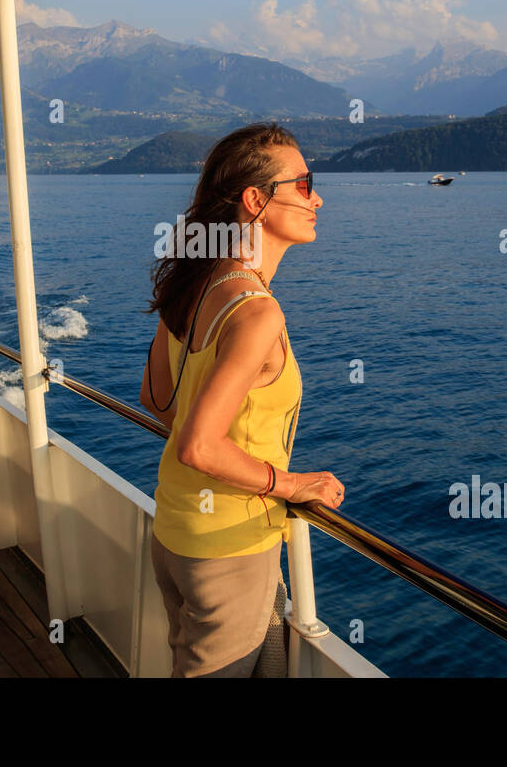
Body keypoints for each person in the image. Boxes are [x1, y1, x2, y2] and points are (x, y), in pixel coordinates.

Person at [140, 121, 344, 677]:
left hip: (176, 534)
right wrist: (294, 485)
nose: (317, 197)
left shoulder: (195, 283)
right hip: (228, 547)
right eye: (304, 184)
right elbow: (197, 445)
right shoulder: (257, 313)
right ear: (256, 200)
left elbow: (158, 402)